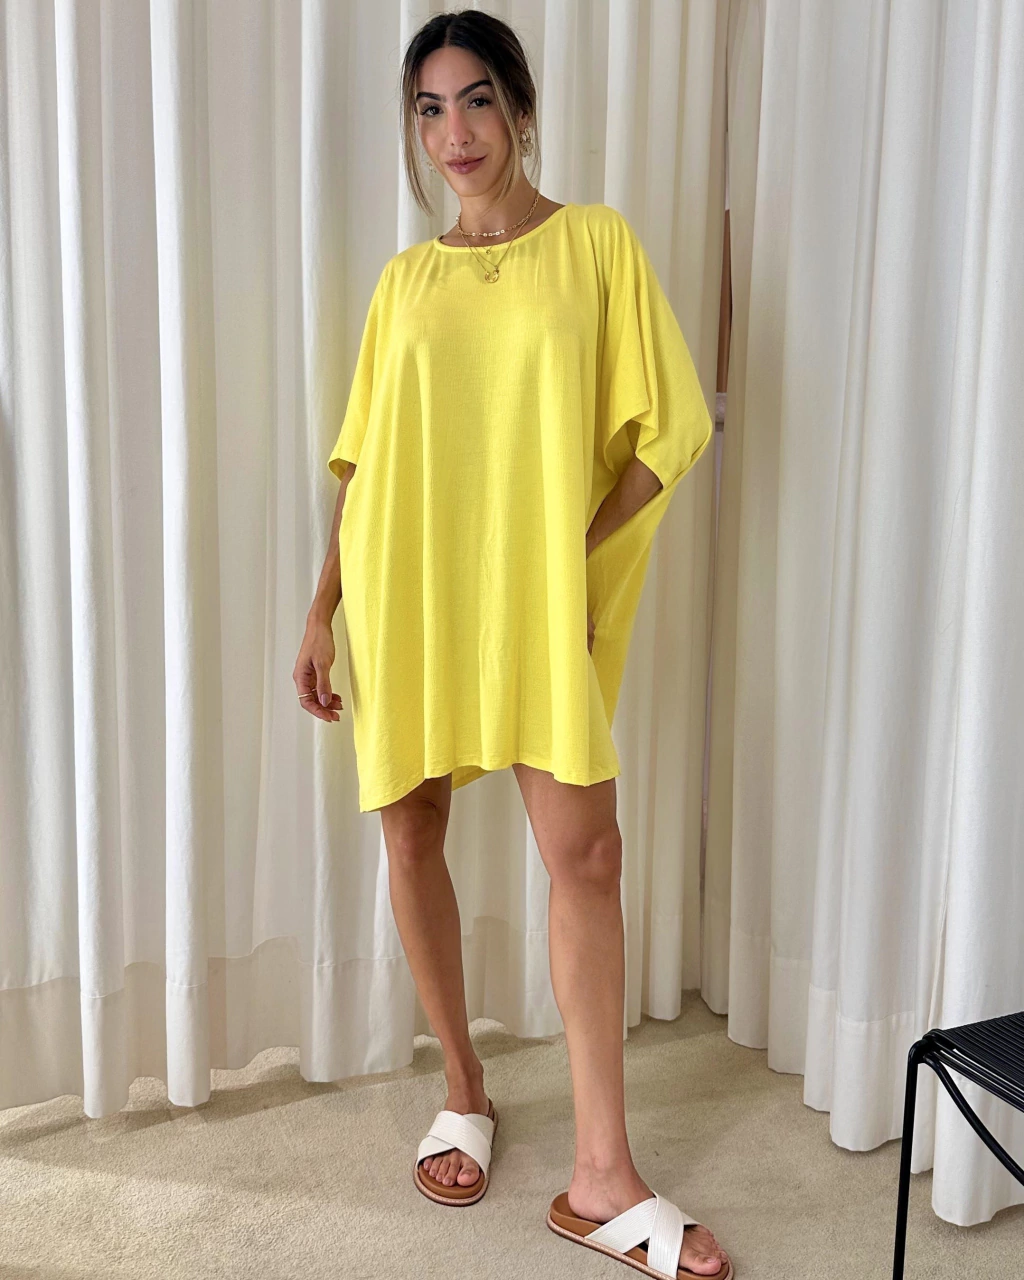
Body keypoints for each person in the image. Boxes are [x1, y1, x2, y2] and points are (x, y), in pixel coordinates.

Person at [293, 10, 730, 1279]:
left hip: (531, 598)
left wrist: (570, 559)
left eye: (476, 99)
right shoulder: (404, 283)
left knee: (585, 852)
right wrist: (321, 607)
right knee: (412, 827)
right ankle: (465, 1086)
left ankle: (602, 1173)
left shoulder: (594, 245)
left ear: (521, 109)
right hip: (407, 588)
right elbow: (363, 462)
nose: (455, 132)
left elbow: (667, 431)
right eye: (429, 109)